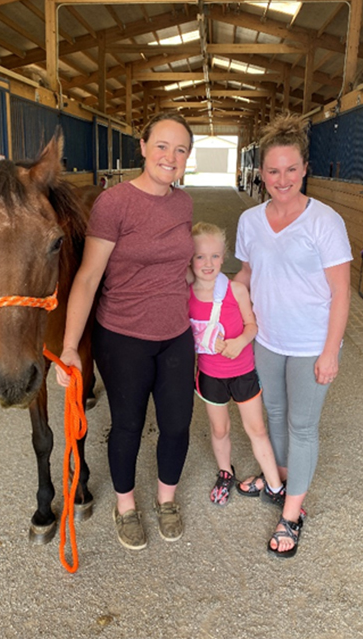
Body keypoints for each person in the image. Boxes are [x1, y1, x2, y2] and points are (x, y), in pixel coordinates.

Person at [55, 111, 196, 551]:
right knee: (128, 425)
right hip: (124, 335)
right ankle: (126, 505)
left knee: (176, 424)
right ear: (142, 146)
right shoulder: (114, 203)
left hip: (176, 332)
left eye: (180, 150)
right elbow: (88, 276)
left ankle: (166, 501)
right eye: (162, 146)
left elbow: (182, 264)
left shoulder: (184, 202)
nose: (170, 157)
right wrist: (70, 346)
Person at [233, 113, 352, 558]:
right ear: (260, 173)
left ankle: (292, 513)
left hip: (309, 344)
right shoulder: (249, 220)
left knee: (302, 427)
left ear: (304, 169)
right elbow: (246, 274)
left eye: (290, 169)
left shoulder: (324, 221)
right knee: (274, 414)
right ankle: (276, 479)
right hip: (267, 338)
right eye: (272, 170)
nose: (281, 179)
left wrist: (329, 353)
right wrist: (213, 293)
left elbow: (340, 291)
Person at [187, 222, 284, 507]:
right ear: (190, 259)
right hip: (210, 375)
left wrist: (240, 341)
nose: (208, 263)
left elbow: (252, 325)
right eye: (200, 256)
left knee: (256, 429)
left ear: (224, 256)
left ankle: (275, 487)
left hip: (242, 372)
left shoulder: (236, 290)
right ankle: (225, 472)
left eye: (215, 256)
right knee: (219, 430)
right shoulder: (187, 294)